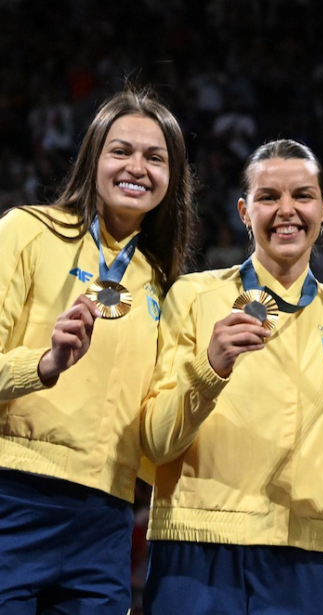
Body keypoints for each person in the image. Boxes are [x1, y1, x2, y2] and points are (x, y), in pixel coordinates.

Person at [0, 89, 195, 613]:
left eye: (156, 158)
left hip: (106, 518)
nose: (137, 167)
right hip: (13, 496)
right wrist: (42, 366)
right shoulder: (26, 231)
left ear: (173, 177)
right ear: (93, 158)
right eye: (121, 151)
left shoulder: (161, 285)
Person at [141, 139, 323, 614]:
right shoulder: (193, 297)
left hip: (307, 552)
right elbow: (155, 442)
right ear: (244, 211)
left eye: (301, 196)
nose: (286, 211)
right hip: (196, 548)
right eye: (267, 197)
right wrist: (210, 368)